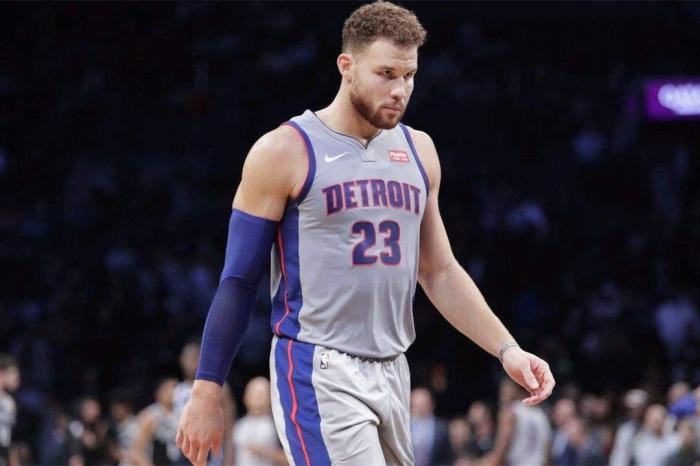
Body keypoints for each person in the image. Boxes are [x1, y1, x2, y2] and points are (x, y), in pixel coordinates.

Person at [176, 2, 555, 465]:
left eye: (409, 75)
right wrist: (207, 390)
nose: (400, 89)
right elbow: (239, 280)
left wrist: (507, 349)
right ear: (347, 66)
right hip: (318, 365)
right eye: (386, 73)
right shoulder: (284, 150)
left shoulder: (419, 150)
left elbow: (438, 271)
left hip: (393, 368)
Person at [172, 343, 235, 466]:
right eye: (188, 359)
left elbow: (229, 424)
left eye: (195, 358)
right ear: (181, 362)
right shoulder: (175, 390)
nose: (192, 363)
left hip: (210, 448)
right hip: (182, 449)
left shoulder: (220, 388)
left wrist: (229, 458)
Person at [482, 379, 552, 466]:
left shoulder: (510, 412)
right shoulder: (540, 415)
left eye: (505, 390)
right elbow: (548, 449)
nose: (502, 394)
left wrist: (492, 462)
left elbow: (503, 444)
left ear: (517, 389)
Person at [232, 377, 287, 466]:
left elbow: (291, 458)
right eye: (253, 393)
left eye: (261, 394)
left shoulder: (278, 425)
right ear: (245, 397)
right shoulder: (239, 425)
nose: (257, 397)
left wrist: (265, 452)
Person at [130, 378, 181, 466]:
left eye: (176, 388)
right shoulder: (150, 415)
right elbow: (136, 451)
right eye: (168, 389)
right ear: (158, 394)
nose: (173, 392)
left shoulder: (182, 413)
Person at [0, 355, 19, 466]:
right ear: (1, 372)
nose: (17, 379)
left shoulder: (9, 402)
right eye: (14, 373)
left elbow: (9, 438)